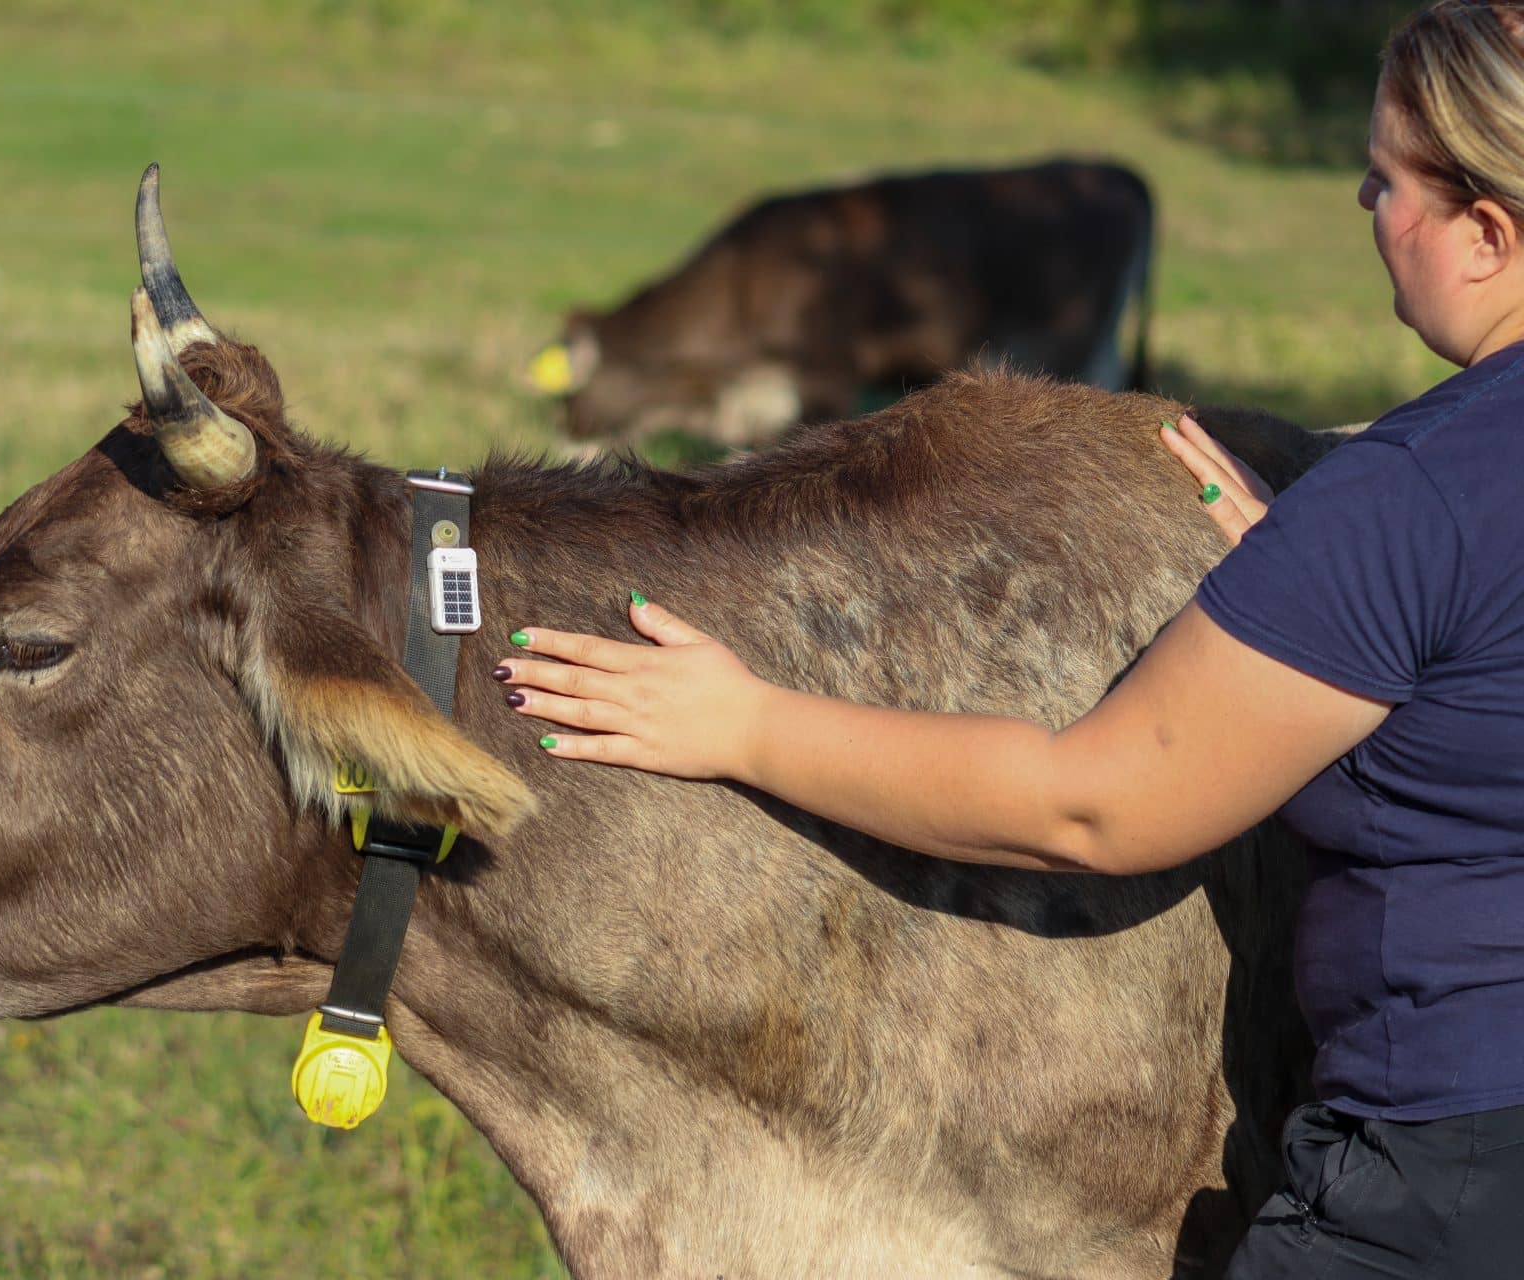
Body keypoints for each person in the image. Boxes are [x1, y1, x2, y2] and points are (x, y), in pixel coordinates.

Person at [490, 3, 1524, 1274]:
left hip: (1448, 1168)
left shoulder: (1412, 499)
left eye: (1384, 180)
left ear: (1486, 231)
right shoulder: (1414, 513)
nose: (1366, 207)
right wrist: (1338, 604)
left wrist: (743, 720)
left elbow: (1087, 807)